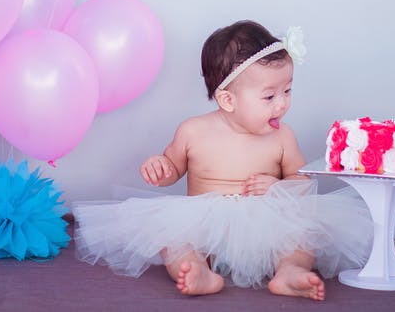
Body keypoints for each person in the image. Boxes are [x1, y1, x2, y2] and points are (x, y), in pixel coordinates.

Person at [73, 20, 373, 301]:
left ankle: (290, 271)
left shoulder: (282, 137)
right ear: (228, 100)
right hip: (204, 226)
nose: (282, 103)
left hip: (265, 226)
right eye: (269, 97)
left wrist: (277, 187)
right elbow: (173, 167)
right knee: (171, 238)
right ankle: (196, 271)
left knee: (303, 237)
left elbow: (303, 182)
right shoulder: (193, 130)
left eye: (287, 90)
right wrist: (161, 167)